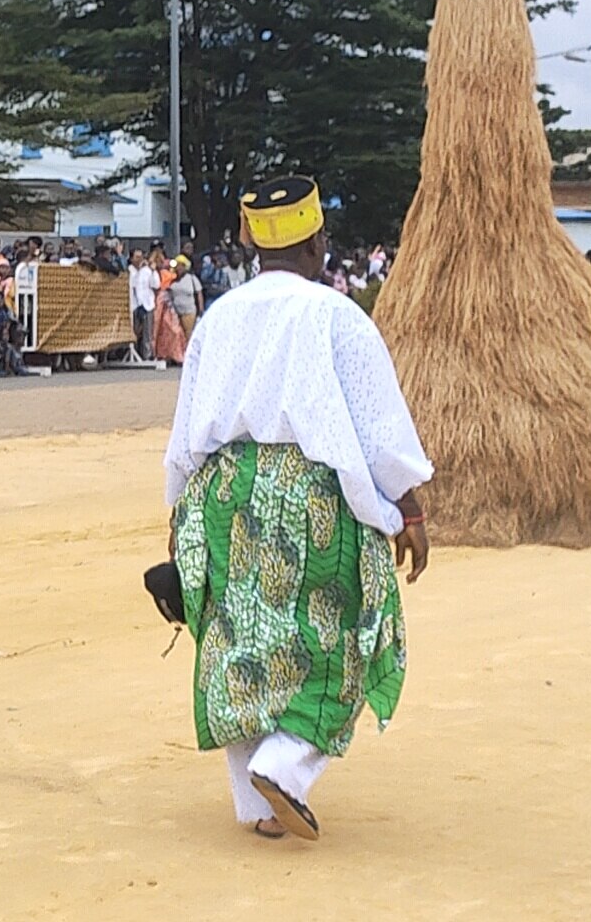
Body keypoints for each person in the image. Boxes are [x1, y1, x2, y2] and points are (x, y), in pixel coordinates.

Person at [164, 174, 432, 843]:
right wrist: (411, 508)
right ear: (317, 241)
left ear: (253, 241)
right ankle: (284, 768)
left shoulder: (219, 316)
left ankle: (257, 809)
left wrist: (179, 515)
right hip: (310, 496)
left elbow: (185, 431)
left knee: (241, 641)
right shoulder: (336, 314)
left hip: (224, 494)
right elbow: (378, 428)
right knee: (337, 639)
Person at [168, 255, 203, 341]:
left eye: (181, 265)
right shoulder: (172, 279)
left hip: (189, 311)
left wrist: (201, 308)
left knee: (188, 334)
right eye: (177, 266)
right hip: (175, 312)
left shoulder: (192, 278)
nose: (179, 268)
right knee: (177, 336)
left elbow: (199, 293)